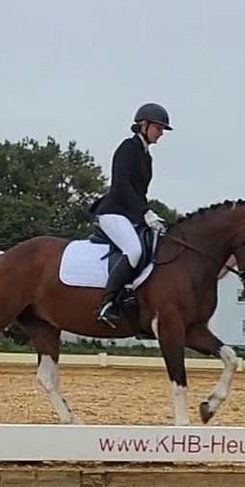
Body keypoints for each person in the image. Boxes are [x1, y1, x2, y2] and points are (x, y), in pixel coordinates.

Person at [91, 102, 171, 326]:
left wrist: (152, 215)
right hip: (113, 212)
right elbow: (121, 186)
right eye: (158, 128)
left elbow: (140, 193)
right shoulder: (128, 148)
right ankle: (107, 303)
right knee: (134, 250)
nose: (161, 133)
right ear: (143, 125)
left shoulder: (147, 156)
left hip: (130, 214)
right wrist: (144, 213)